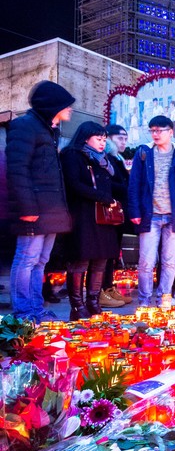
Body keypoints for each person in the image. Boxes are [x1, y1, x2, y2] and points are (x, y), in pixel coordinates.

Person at [7, 81, 75, 322]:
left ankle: (36, 308)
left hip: (50, 211)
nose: (70, 109)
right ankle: (23, 312)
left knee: (41, 262)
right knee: (26, 259)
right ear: (52, 105)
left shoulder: (49, 130)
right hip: (33, 210)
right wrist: (27, 207)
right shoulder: (25, 126)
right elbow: (17, 169)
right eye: (67, 105)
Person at [128, 115, 175, 309]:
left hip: (173, 217)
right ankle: (144, 301)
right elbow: (134, 184)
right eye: (152, 130)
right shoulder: (144, 153)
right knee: (146, 262)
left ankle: (164, 299)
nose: (155, 134)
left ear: (170, 132)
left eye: (160, 130)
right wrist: (134, 210)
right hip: (150, 215)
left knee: (169, 261)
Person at [58, 122, 122, 320]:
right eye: (98, 139)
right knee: (81, 260)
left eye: (104, 139)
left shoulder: (103, 161)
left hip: (103, 217)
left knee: (100, 260)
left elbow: (114, 184)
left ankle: (93, 302)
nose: (102, 143)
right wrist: (101, 197)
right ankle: (77, 305)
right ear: (86, 137)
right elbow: (73, 184)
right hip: (83, 216)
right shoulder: (73, 155)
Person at [100, 124, 132, 308]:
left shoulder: (117, 158)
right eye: (120, 138)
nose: (124, 142)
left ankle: (109, 287)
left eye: (126, 138)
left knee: (113, 252)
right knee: (105, 253)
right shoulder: (105, 158)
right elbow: (110, 184)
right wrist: (129, 189)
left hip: (117, 213)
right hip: (107, 211)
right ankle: (101, 290)